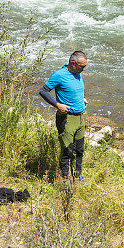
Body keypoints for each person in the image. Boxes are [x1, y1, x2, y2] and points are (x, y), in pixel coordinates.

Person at [39, 51, 88, 180]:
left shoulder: (77, 73)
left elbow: (73, 90)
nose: (84, 69)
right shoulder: (59, 75)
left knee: (80, 150)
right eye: (82, 66)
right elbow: (43, 91)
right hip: (67, 119)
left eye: (84, 66)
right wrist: (57, 105)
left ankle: (77, 177)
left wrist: (82, 99)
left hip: (80, 118)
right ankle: (65, 179)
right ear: (73, 63)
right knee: (67, 150)